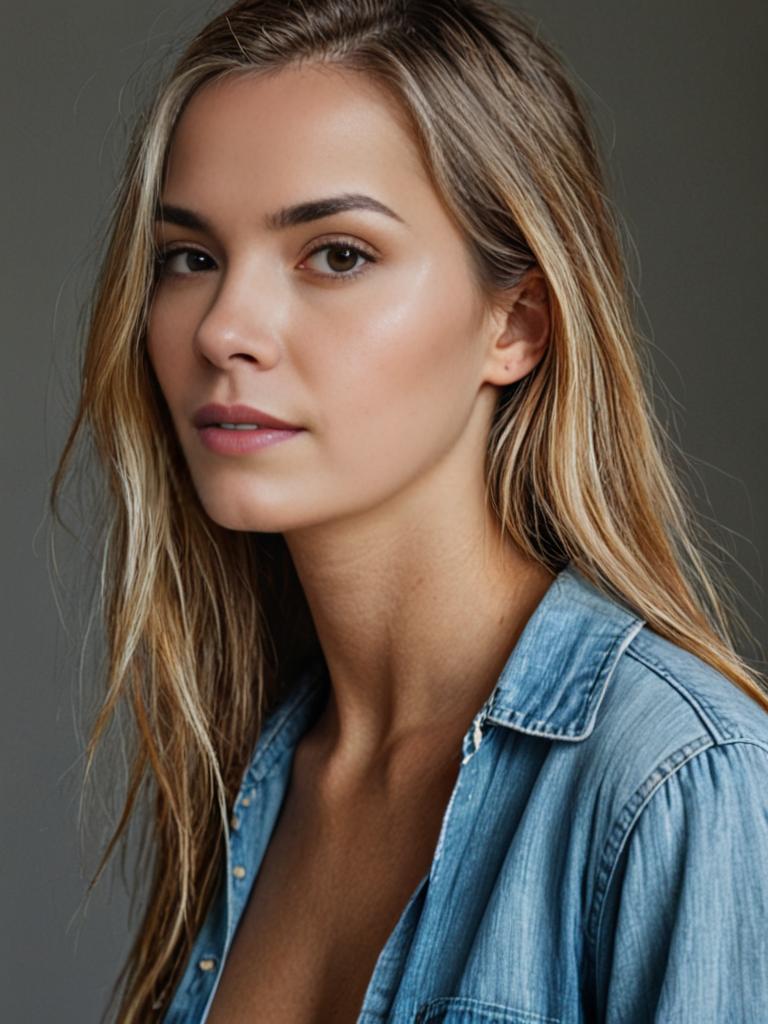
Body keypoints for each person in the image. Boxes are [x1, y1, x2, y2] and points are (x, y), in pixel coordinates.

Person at [50, 0, 768, 1021]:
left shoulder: (682, 783)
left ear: (513, 324)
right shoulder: (248, 774)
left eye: (336, 254)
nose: (225, 329)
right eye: (190, 257)